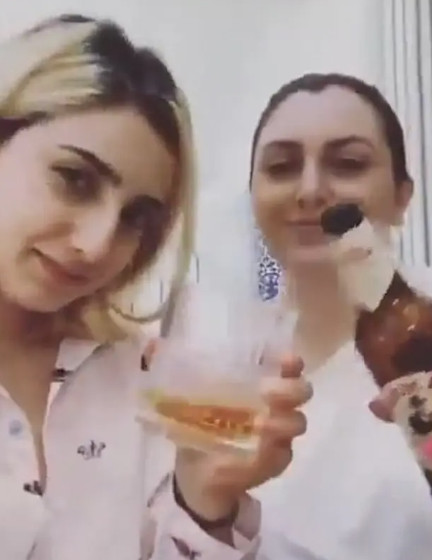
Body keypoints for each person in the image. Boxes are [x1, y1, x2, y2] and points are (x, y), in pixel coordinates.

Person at [0, 15, 311, 559]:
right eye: (75, 179)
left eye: (137, 217)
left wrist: (204, 504)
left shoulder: (140, 380)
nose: (97, 244)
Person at [249, 73, 432, 560]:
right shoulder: (224, 355)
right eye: (282, 167)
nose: (310, 190)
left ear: (402, 197)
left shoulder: (418, 329)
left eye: (348, 164)